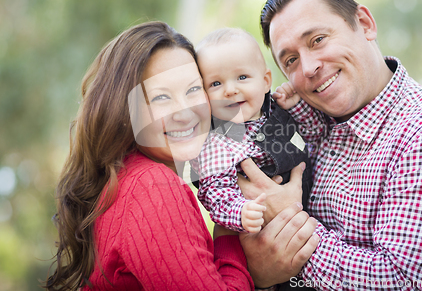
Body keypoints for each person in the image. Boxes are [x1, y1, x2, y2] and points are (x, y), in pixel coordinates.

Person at [235, 0, 422, 290]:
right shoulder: (306, 123)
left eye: (317, 40)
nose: (309, 67)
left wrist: (288, 233)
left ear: (365, 24)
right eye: (290, 60)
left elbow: (408, 283)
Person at [42, 21, 318, 290]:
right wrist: (239, 250)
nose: (185, 112)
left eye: (193, 89)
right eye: (161, 97)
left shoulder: (126, 179)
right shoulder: (151, 186)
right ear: (123, 109)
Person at [192, 27, 313, 234]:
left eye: (242, 77)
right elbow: (215, 192)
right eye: (215, 83)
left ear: (266, 81)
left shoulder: (277, 110)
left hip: (313, 213)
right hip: (263, 230)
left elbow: (313, 134)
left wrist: (296, 106)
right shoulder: (217, 143)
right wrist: (240, 212)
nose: (230, 90)